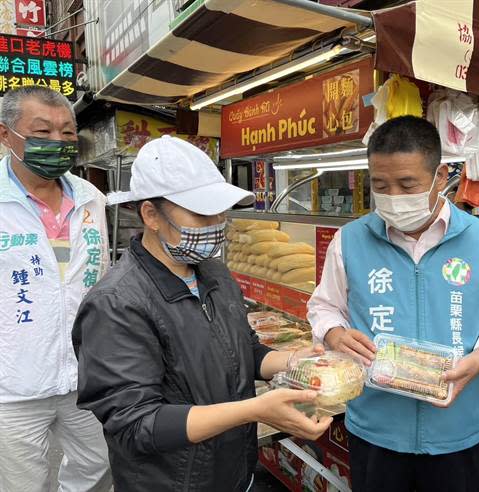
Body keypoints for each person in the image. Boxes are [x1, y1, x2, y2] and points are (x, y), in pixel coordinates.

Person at [72, 136, 332, 492]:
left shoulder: (214, 274)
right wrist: (253, 409)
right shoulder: (116, 304)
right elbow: (135, 424)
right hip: (170, 482)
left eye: (220, 211)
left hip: (231, 471)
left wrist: (291, 361)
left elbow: (244, 350)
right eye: (201, 213)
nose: (217, 223)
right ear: (151, 214)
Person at [307, 116, 479, 492]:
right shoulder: (349, 240)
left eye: (407, 184)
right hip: (374, 428)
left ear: (440, 176)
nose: (393, 197)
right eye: (380, 185)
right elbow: (323, 307)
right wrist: (334, 333)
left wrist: (478, 361)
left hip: (454, 432)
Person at [0, 87, 111, 491]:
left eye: (67, 133)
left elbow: (101, 281)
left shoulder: (91, 199)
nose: (58, 143)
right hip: (12, 385)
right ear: (5, 135)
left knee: (98, 467)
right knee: (21, 484)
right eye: (42, 131)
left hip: (87, 374)